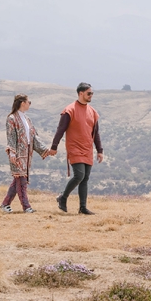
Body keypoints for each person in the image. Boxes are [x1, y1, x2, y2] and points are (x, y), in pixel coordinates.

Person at [48, 82, 103, 215]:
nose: (91, 96)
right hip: (74, 148)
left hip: (87, 149)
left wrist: (99, 150)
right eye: (89, 93)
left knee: (85, 178)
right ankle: (63, 197)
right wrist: (54, 146)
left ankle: (82, 207)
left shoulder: (93, 112)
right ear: (81, 93)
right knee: (79, 175)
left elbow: (96, 133)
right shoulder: (69, 110)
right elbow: (60, 129)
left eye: (92, 93)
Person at [1, 94, 49, 213]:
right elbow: (11, 137)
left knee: (18, 180)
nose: (29, 104)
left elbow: (34, 137)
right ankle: (26, 207)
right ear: (22, 103)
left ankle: (5, 204)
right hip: (17, 154)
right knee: (21, 180)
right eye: (29, 102)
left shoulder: (27, 119)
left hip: (27, 154)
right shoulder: (11, 118)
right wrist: (12, 153)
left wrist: (44, 149)